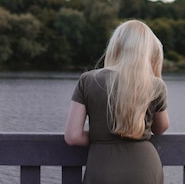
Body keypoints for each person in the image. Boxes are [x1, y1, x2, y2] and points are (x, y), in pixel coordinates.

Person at [64, 19, 170, 184]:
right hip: (145, 167)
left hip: (102, 166)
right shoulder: (155, 84)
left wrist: (102, 135)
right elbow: (161, 128)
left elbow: (73, 137)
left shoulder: (88, 80)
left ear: (116, 46)